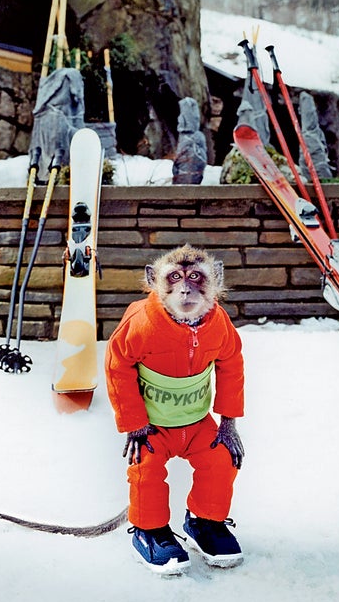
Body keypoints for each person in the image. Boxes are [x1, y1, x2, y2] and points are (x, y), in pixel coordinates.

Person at [105, 245, 245, 575]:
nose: (185, 289)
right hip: (153, 425)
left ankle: (204, 523)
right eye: (175, 279)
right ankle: (148, 531)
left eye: (196, 278)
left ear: (216, 281)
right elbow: (117, 365)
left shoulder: (218, 323)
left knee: (222, 459)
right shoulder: (142, 323)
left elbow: (231, 365)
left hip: (196, 422)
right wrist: (134, 424)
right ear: (154, 282)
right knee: (146, 467)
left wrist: (228, 423)